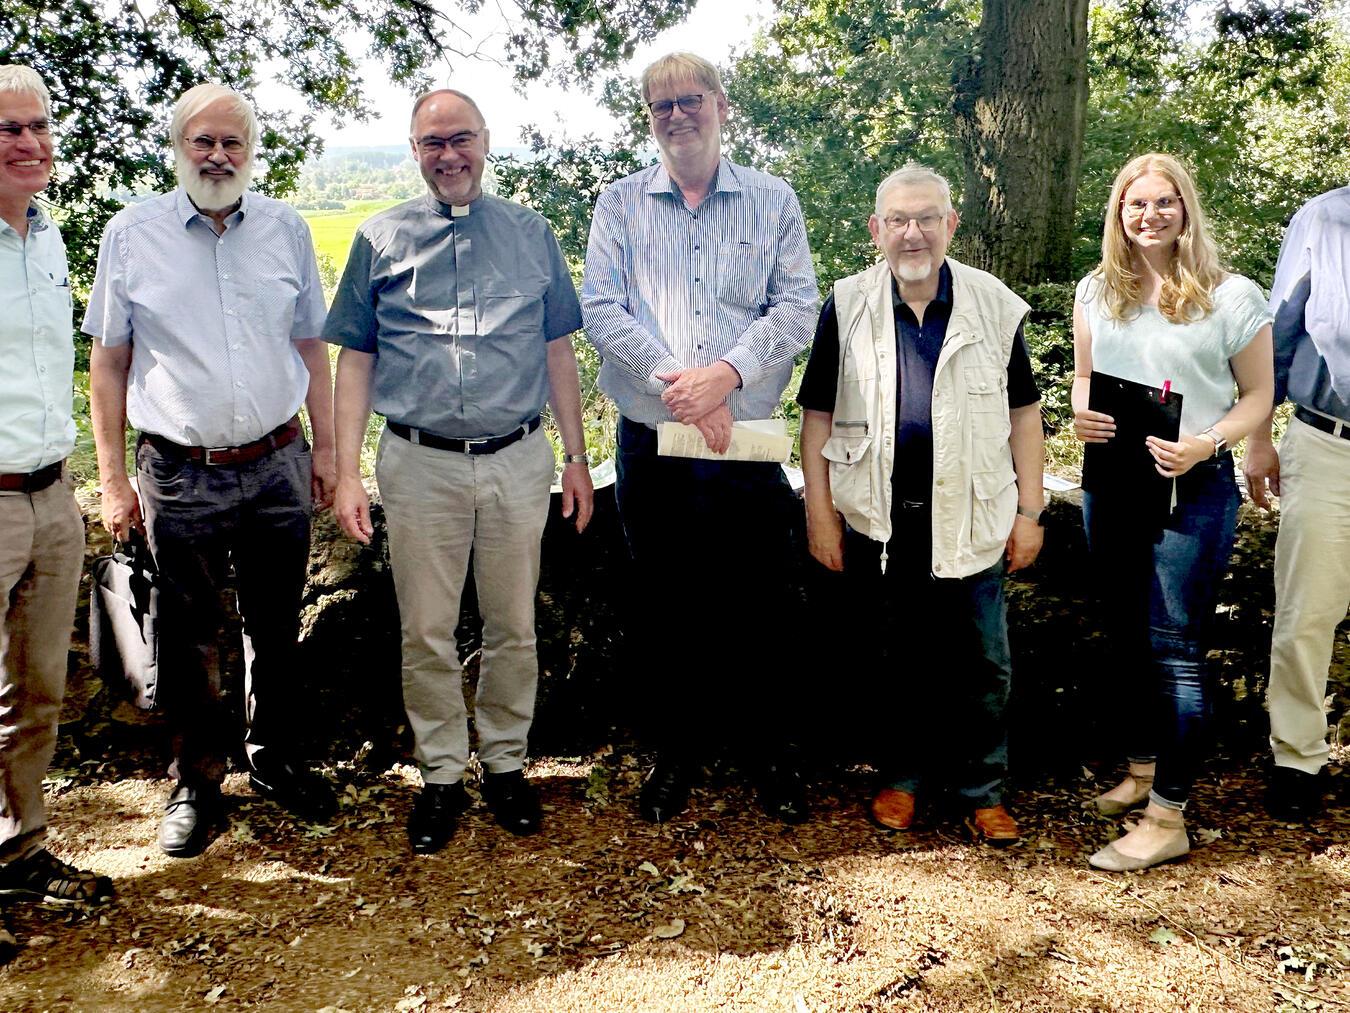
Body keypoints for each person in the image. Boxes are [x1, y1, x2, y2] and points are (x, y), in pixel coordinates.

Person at [326, 89, 593, 854]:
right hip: (419, 463)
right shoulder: (378, 239)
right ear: (414, 151)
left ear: (485, 141)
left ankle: (505, 762)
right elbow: (355, 360)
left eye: (461, 139)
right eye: (433, 143)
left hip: (517, 457)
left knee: (513, 624)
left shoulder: (531, 233)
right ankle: (441, 773)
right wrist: (347, 472)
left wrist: (577, 458)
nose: (449, 156)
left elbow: (557, 351)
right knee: (427, 629)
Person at [85, 83, 337, 859]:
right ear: (178, 148)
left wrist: (329, 450)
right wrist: (114, 479)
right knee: (188, 633)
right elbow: (108, 363)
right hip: (178, 469)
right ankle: (196, 782)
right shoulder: (132, 235)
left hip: (278, 458)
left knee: (276, 622)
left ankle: (274, 758)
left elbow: (311, 347)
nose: (219, 156)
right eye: (204, 141)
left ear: (251, 152)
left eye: (233, 142)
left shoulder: (287, 230)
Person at [581, 52, 819, 824]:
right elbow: (600, 308)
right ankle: (674, 751)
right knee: (664, 598)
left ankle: (769, 751)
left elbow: (797, 307)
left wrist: (724, 375)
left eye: (690, 100)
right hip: (652, 437)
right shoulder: (619, 203)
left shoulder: (772, 199)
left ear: (721, 106)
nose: (677, 115)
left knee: (761, 598)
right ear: (650, 119)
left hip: (742, 438)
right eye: (662, 106)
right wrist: (680, 386)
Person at [798, 163, 1044, 845]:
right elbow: (817, 416)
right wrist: (820, 514)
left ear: (950, 225)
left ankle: (983, 791)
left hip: (974, 513)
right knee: (895, 657)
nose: (914, 233)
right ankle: (902, 779)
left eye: (927, 218)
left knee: (984, 663)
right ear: (876, 230)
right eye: (899, 220)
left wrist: (1030, 512)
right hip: (881, 518)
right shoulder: (847, 303)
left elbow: (1025, 415)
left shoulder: (993, 304)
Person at [1073, 153, 1273, 871]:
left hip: (1194, 485)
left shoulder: (1232, 295)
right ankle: (1142, 771)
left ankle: (1168, 817)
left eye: (1164, 202)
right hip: (1113, 483)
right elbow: (1086, 376)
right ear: (1118, 213)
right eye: (1136, 203)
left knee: (1175, 648)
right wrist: (1081, 413)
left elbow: (1259, 395)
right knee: (1127, 635)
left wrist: (1206, 443)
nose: (1149, 215)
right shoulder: (1098, 289)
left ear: (1185, 209)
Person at [0, 64, 113, 917]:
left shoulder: (46, 238)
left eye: (39, 126)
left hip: (51, 495)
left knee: (35, 690)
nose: (30, 143)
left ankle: (21, 849)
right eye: (9, 129)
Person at [1244, 187, 1350, 822]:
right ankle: (1298, 757)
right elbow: (1276, 334)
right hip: (1327, 443)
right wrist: (1259, 438)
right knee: (1307, 610)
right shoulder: (1327, 217)